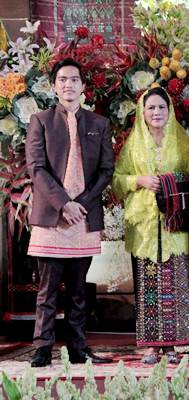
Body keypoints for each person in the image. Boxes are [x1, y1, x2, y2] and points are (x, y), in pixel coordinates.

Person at [26, 58, 113, 367]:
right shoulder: (40, 121)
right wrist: (64, 203)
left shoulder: (99, 124)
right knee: (47, 290)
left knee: (79, 291)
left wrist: (80, 204)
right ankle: (42, 348)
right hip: (52, 218)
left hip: (83, 218)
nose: (68, 84)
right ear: (54, 86)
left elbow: (106, 171)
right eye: (62, 79)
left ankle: (78, 348)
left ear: (83, 86)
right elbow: (36, 168)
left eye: (74, 79)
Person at [112, 87, 189, 364]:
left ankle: (172, 345)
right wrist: (139, 181)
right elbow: (117, 179)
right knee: (148, 284)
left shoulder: (182, 141)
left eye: (162, 107)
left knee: (175, 282)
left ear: (169, 110)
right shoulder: (134, 143)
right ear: (142, 112)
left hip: (176, 222)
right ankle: (151, 346)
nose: (157, 112)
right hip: (145, 225)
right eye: (151, 108)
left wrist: (172, 182)